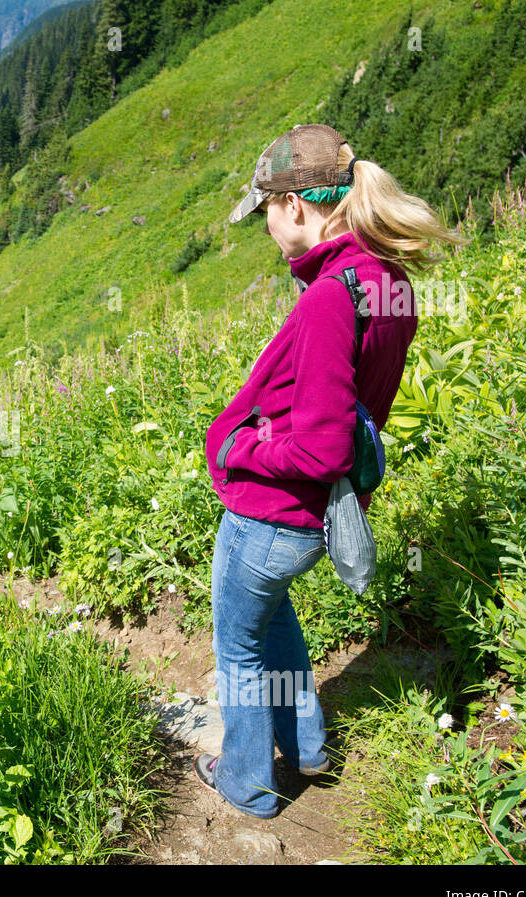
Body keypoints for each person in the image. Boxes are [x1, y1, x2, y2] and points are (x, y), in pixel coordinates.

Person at [195, 123, 466, 819]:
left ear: (295, 206)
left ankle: (248, 783)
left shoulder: (326, 300)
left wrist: (236, 446)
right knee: (270, 615)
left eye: (265, 212)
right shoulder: (385, 282)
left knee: (239, 645)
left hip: (273, 513)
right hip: (321, 519)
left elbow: (320, 448)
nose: (267, 227)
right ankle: (307, 744)